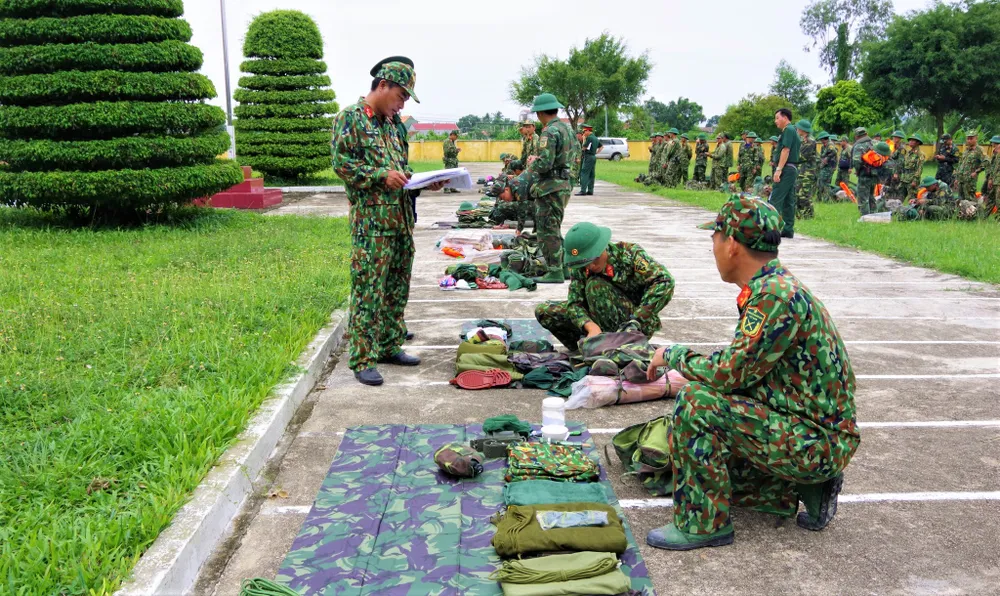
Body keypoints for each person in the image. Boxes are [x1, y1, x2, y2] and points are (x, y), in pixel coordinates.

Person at [644, 196, 860, 551]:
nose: (712, 248)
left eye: (714, 239)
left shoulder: (773, 296)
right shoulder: (772, 286)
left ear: (731, 244)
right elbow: (744, 372)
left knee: (697, 406)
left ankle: (702, 524)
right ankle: (802, 488)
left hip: (817, 443)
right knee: (713, 460)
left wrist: (673, 354)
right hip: (810, 430)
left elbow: (731, 374)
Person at [333, 58, 446, 386]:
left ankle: (388, 344)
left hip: (400, 220)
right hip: (372, 224)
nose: (403, 102)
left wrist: (422, 182)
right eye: (401, 94)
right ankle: (363, 357)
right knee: (369, 289)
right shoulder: (351, 119)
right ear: (382, 85)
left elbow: (401, 170)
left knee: (397, 286)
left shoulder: (395, 125)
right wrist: (381, 175)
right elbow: (342, 164)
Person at [535, 222, 675, 351]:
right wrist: (590, 326)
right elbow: (574, 303)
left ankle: (615, 348)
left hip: (633, 323)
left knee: (596, 286)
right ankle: (589, 347)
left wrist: (636, 320)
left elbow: (664, 281)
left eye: (593, 259)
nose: (590, 266)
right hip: (598, 316)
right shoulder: (580, 265)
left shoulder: (629, 254)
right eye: (585, 263)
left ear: (602, 247)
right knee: (545, 311)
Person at [527, 92, 574, 283]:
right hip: (564, 184)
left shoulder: (549, 132)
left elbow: (545, 164)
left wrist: (533, 162)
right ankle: (563, 268)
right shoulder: (568, 130)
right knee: (555, 227)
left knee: (547, 230)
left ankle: (554, 270)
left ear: (539, 114)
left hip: (549, 187)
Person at [769, 108, 800, 238]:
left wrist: (779, 169)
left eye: (777, 118)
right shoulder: (792, 131)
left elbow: (785, 150)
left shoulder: (788, 130)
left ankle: (770, 229)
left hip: (786, 168)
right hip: (791, 169)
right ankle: (787, 229)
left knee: (775, 198)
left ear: (785, 118)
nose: (775, 121)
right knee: (788, 200)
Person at [851, 127, 877, 215]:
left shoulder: (859, 146)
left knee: (863, 198)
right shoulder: (875, 143)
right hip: (875, 174)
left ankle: (865, 217)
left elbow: (856, 161)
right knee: (871, 195)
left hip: (864, 174)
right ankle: (874, 214)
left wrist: (857, 170)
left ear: (857, 136)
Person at [794, 120, 817, 220]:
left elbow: (801, 157)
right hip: (801, 171)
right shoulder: (802, 140)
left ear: (803, 130)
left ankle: (809, 215)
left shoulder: (810, 141)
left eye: (798, 128)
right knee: (799, 193)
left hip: (807, 172)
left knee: (804, 194)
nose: (797, 129)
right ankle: (801, 214)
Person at [956, 131, 986, 202]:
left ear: (976, 139)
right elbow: (960, 164)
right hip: (961, 179)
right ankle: (962, 212)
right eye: (968, 139)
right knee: (960, 198)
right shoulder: (966, 150)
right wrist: (957, 178)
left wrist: (976, 172)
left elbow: (985, 162)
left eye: (971, 138)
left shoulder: (979, 150)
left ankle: (974, 212)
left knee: (970, 198)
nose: (969, 140)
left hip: (970, 179)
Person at [899, 134, 926, 202]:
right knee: (899, 199)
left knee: (912, 200)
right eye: (910, 140)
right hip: (904, 179)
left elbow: (919, 168)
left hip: (911, 180)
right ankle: (897, 212)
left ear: (918, 143)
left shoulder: (920, 154)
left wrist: (915, 180)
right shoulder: (908, 153)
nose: (910, 142)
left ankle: (912, 212)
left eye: (912, 140)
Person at [577, 123, 601, 196]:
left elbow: (584, 147)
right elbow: (601, 147)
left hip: (588, 157)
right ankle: (590, 190)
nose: (583, 133)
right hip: (593, 156)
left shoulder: (589, 138)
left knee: (584, 173)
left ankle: (583, 190)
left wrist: (584, 139)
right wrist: (596, 152)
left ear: (587, 131)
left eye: (584, 132)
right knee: (591, 174)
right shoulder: (595, 138)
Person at [817, 133, 838, 202]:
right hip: (824, 166)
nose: (820, 141)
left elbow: (834, 152)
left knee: (825, 183)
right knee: (820, 181)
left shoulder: (830, 144)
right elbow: (822, 155)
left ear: (824, 139)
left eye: (821, 139)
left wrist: (827, 158)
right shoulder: (824, 146)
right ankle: (820, 198)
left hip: (829, 167)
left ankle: (828, 198)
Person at [985, 135, 1000, 218]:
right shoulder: (995, 153)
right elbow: (992, 167)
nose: (992, 145)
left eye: (994, 143)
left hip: (999, 182)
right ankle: (983, 217)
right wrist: (990, 179)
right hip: (995, 180)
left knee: (999, 201)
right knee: (990, 199)